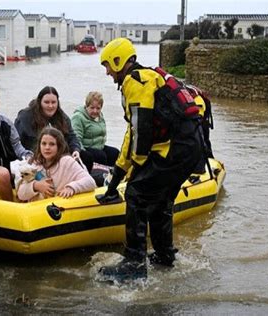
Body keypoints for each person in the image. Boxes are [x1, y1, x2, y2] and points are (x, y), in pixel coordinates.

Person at [96, 38, 202, 283]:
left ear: (119, 60)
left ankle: (134, 264)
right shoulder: (149, 77)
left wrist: (136, 170)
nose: (108, 72)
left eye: (108, 66)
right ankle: (165, 256)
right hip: (188, 148)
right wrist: (115, 181)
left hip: (175, 150)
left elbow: (140, 131)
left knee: (136, 194)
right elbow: (132, 135)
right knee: (160, 199)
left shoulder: (136, 81)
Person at [14, 86, 94, 172]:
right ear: (39, 102)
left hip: (59, 154)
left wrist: (76, 150)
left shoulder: (61, 116)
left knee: (87, 157)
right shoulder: (25, 116)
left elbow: (72, 136)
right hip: (35, 156)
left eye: (53, 102)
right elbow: (16, 142)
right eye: (46, 102)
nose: (50, 106)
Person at [17, 127, 96, 202]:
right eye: (44, 144)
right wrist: (36, 186)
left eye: (52, 144)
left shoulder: (67, 162)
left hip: (62, 207)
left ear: (59, 146)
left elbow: (90, 182)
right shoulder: (33, 164)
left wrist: (71, 188)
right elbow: (20, 194)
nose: (47, 147)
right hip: (38, 211)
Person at [71, 91, 120, 167]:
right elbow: (76, 139)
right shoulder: (78, 117)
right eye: (92, 108)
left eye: (98, 108)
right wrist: (82, 153)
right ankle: (99, 175)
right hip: (84, 148)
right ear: (86, 106)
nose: (95, 111)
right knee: (101, 156)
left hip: (99, 147)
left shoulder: (100, 116)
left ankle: (113, 175)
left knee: (115, 153)